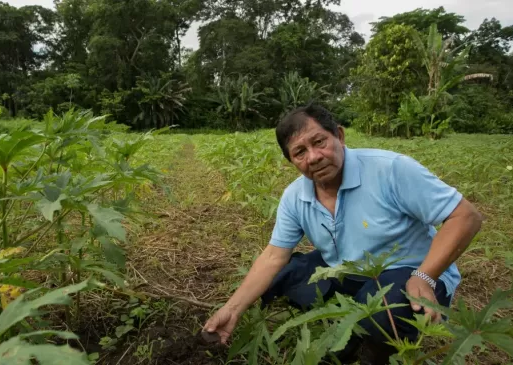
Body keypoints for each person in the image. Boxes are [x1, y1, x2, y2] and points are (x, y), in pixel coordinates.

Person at [203, 104, 483, 364]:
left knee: (385, 312)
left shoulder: (390, 169)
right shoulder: (294, 197)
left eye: (319, 142)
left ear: (339, 136)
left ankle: (372, 350)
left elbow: (465, 217)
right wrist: (232, 309)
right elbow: (274, 256)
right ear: (292, 161)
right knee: (283, 274)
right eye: (299, 152)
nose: (313, 157)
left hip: (409, 272)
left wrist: (425, 275)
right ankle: (352, 321)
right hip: (347, 269)